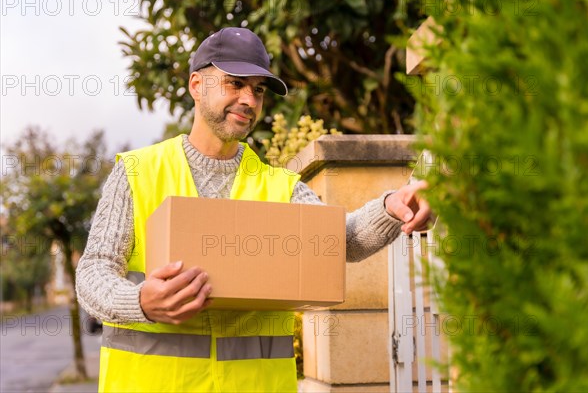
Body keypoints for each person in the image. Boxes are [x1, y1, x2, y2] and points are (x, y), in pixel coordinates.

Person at [76, 27, 430, 392]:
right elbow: (93, 272)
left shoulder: (282, 186)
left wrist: (392, 206)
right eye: (235, 83)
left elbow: (341, 240)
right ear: (197, 85)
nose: (249, 99)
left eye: (258, 90)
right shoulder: (138, 172)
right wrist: (139, 302)